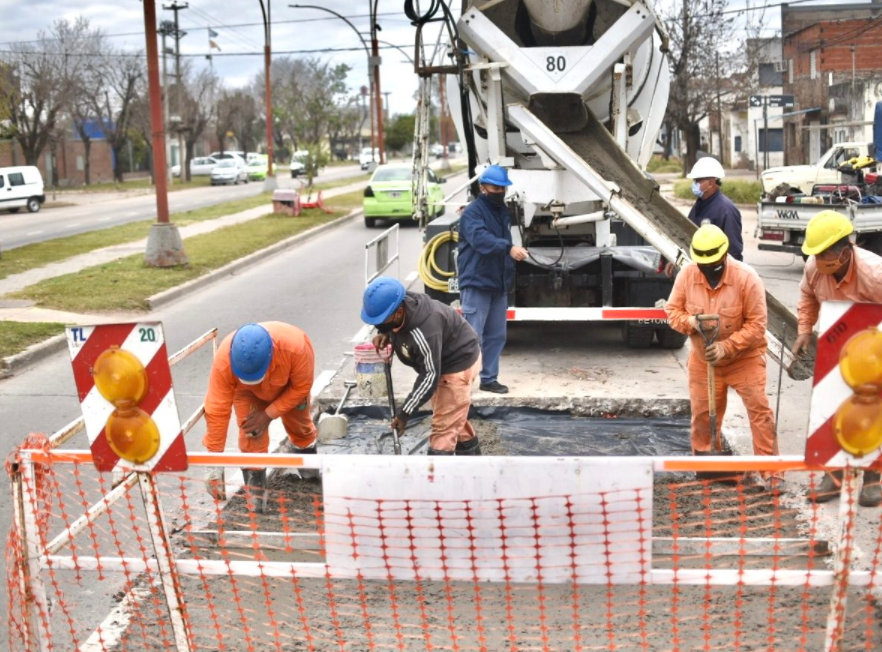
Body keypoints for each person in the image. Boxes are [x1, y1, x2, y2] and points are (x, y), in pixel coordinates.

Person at [665, 224, 780, 486]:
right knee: (703, 415)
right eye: (703, 264)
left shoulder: (746, 278)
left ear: (724, 255)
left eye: (713, 264)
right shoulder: (687, 275)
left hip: (744, 359)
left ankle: (772, 474)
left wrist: (727, 346)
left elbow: (757, 325)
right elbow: (672, 312)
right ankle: (709, 467)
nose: (708, 269)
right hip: (702, 359)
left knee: (759, 412)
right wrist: (691, 322)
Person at [792, 210, 882, 507]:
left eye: (823, 253)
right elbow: (806, 297)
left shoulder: (874, 273)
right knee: (829, 410)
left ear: (845, 252)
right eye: (815, 253)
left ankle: (872, 477)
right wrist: (805, 330)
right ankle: (832, 478)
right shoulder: (813, 269)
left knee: (870, 412)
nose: (817, 260)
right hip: (835, 350)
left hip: (873, 352)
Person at [362, 277, 482, 456]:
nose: (378, 325)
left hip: (456, 364)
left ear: (398, 312)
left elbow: (430, 376)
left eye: (382, 321)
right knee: (452, 415)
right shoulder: (401, 302)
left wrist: (404, 413)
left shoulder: (425, 331)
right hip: (442, 361)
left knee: (443, 428)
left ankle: (436, 478)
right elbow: (391, 323)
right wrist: (385, 332)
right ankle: (472, 464)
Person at [203, 322, 317, 506]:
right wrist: (213, 459)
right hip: (247, 394)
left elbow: (301, 387)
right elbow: (217, 408)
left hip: (289, 387)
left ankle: (312, 481)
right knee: (251, 435)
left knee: (301, 428)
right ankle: (256, 502)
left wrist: (268, 414)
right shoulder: (224, 360)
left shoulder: (296, 348)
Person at [457, 164, 529, 394]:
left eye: (503, 188)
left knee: (496, 335)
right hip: (477, 283)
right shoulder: (472, 213)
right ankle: (462, 383)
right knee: (471, 337)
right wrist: (508, 248)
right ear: (483, 187)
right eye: (495, 187)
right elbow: (480, 240)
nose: (500, 191)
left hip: (498, 284)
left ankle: (489, 379)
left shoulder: (502, 212)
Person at [686, 157, 744, 262]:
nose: (694, 184)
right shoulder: (700, 204)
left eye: (698, 180)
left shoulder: (726, 210)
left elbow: (734, 251)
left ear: (711, 182)